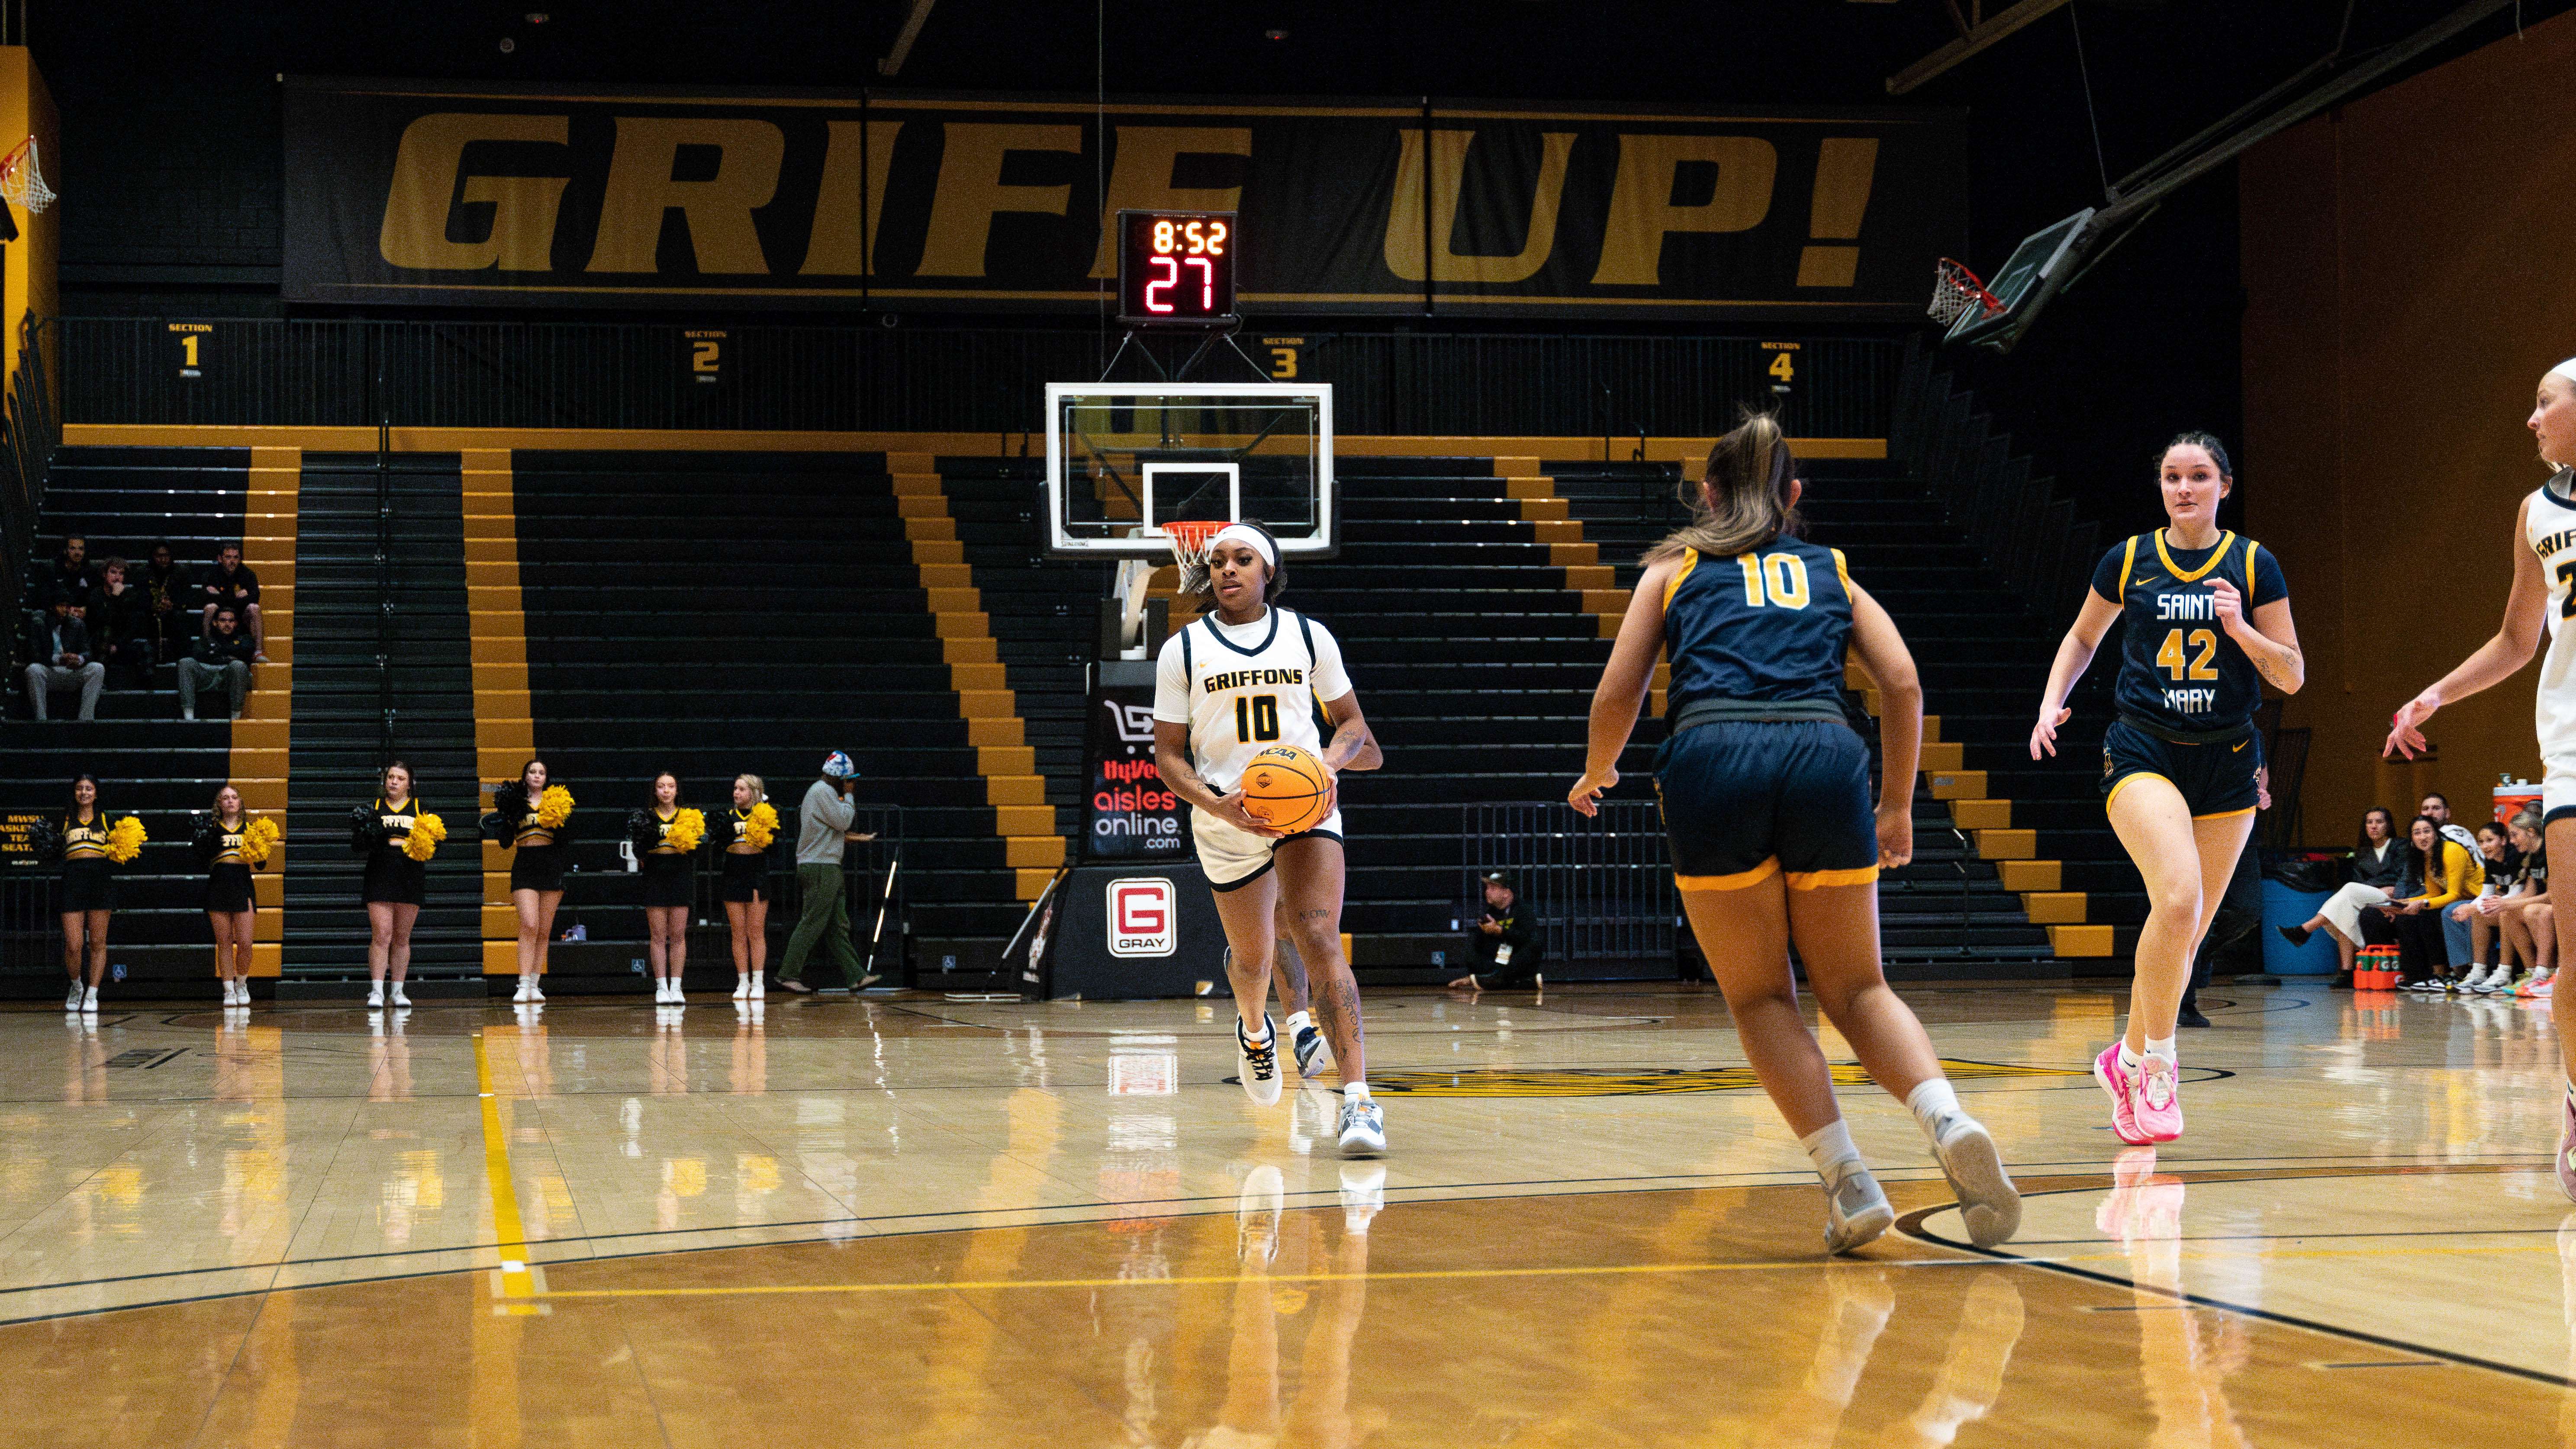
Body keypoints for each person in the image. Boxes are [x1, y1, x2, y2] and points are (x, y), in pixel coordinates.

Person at [1571, 413, 2020, 1252]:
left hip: (1713, 757)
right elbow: (1903, 683)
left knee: (1762, 996)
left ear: (1707, 495)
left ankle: (1850, 1181)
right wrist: (1894, 805)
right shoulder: (1833, 571)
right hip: (1823, 752)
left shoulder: (1671, 572)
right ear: (1794, 496)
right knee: (1858, 988)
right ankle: (1947, 1118)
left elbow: (1618, 694)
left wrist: (1597, 771)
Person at [2030, 431, 2301, 1146]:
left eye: (2198, 475)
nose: (2183, 488)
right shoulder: (2128, 558)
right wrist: (2051, 699)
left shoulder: (2252, 562)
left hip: (2228, 758)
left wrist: (2239, 628)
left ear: (2223, 484)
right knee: (2176, 897)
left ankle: (2121, 1057)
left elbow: (2291, 674)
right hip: (2143, 746)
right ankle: (2156, 1063)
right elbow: (2083, 637)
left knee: (2187, 930)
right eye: (2172, 477)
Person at [1152, 520, 1389, 1156]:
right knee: (1253, 958)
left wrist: (1327, 767)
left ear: (1269, 572)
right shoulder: (1183, 648)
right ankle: (1256, 1029)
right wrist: (1216, 804)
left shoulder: (1309, 636)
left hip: (1305, 813)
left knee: (1317, 938)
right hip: (1227, 815)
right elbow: (1168, 758)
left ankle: (1360, 1101)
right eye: (1220, 560)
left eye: (1243, 559)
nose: (1228, 569)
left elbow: (1354, 728)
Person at [777, 752, 877, 994]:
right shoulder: (823, 792)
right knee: (812, 921)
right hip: (820, 867)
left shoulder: (822, 792)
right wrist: (850, 797)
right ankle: (788, 974)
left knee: (836, 925)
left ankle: (856, 976)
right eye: (849, 779)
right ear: (840, 778)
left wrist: (852, 839)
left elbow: (826, 830)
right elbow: (843, 821)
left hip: (828, 864)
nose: (851, 783)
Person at [2278, 807, 2408, 987]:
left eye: (2379, 822)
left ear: (2389, 825)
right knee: (2345, 908)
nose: (2374, 827)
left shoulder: (2401, 846)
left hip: (2394, 897)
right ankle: (2347, 972)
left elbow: (2406, 877)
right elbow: (2358, 882)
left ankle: (2305, 929)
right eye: (2369, 823)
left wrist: (2394, 891)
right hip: (2366, 897)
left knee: (2348, 890)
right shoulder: (2361, 853)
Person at [484, 759, 567, 1004]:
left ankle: (534, 983)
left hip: (551, 864)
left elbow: (565, 840)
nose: (537, 775)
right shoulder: (516, 803)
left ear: (546, 778)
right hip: (525, 865)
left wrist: (561, 822)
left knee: (544, 930)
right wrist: (505, 820)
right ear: (525, 776)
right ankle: (522, 983)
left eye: (542, 772)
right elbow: (505, 843)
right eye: (532, 771)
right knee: (529, 924)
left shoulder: (557, 802)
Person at [353, 761, 427, 1009]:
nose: (394, 782)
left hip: (410, 876)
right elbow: (360, 844)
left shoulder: (419, 808)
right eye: (391, 777)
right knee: (382, 934)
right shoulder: (373, 808)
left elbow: (434, 844)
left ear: (410, 784)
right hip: (380, 874)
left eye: (400, 778)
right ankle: (376, 990)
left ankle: (398, 990)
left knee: (403, 937)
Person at [2381, 815, 2481, 991]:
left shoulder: (2451, 851)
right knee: (2409, 916)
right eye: (2417, 833)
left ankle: (2458, 972)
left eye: (2427, 831)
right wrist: (2399, 904)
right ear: (2412, 838)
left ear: (2436, 834)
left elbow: (2454, 894)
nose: (2422, 837)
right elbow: (2433, 893)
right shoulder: (2426, 858)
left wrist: (2423, 904)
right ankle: (2422, 975)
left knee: (2442, 912)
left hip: (2478, 897)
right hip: (2460, 899)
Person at [46, 774, 113, 1012]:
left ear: (96, 793)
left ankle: (93, 993)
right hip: (72, 882)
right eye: (80, 788)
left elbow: (121, 848)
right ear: (75, 793)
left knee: (97, 942)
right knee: (74, 945)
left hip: (100, 882)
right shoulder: (65, 819)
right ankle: (76, 985)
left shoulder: (106, 819)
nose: (84, 793)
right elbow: (51, 847)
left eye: (89, 788)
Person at [632, 771, 699, 1004]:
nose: (666, 791)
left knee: (678, 935)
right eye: (661, 787)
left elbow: (697, 849)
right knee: (658, 935)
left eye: (671, 786)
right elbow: (638, 852)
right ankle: (661, 986)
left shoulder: (688, 817)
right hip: (654, 877)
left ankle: (677, 987)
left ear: (677, 790)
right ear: (655, 791)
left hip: (680, 876)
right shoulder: (646, 818)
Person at [2467, 811, 2548, 994]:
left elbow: (2555, 895)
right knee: (2501, 913)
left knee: (2532, 911)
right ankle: (2530, 973)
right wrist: (2502, 905)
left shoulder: (2546, 852)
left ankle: (2544, 974)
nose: (2512, 841)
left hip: (2556, 906)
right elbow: (2529, 892)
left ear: (2531, 832)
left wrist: (2506, 904)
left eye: (2514, 835)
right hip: (2540, 903)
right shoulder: (2531, 857)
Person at [195, 785, 261, 1006]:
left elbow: (261, 864)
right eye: (225, 798)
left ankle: (242, 982)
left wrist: (260, 846)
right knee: (223, 943)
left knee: (245, 943)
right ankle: (228, 989)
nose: (231, 801)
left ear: (240, 803)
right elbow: (202, 857)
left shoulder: (250, 829)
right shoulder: (213, 829)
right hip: (218, 886)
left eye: (234, 797)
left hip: (243, 886)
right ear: (219, 804)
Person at [719, 773, 775, 1000]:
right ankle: (743, 982)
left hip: (756, 874)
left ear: (754, 792)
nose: (736, 793)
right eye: (735, 788)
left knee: (756, 931)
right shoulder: (728, 817)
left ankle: (759, 982)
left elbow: (772, 843)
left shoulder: (764, 815)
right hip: (733, 874)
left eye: (742, 789)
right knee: (738, 933)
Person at [1443, 870, 1544, 993]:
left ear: (1506, 893)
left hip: (1516, 960)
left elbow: (1525, 939)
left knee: (1535, 944)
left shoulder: (1524, 911)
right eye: (1487, 888)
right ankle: (1515, 981)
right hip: (1499, 961)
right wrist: (1485, 931)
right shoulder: (1491, 913)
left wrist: (1501, 931)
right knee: (1473, 940)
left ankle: (1494, 980)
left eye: (1493, 888)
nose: (1487, 892)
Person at [24, 596, 103, 721]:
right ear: (52, 607)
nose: (65, 610)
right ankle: (41, 720)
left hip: (72, 672)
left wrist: (79, 659)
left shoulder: (77, 624)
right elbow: (34, 655)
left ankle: (85, 720)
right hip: (50, 671)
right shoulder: (38, 623)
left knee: (98, 668)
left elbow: (88, 652)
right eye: (61, 606)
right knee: (33, 670)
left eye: (67, 606)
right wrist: (59, 659)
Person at [179, 605, 256, 721]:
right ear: (215, 623)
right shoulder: (206, 639)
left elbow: (247, 653)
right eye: (223, 620)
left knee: (239, 665)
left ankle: (235, 718)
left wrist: (215, 653)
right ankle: (189, 717)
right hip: (207, 676)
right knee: (186, 662)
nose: (227, 624)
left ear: (236, 624)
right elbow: (197, 654)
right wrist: (229, 656)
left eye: (231, 621)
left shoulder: (244, 639)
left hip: (230, 678)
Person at [87, 559, 152, 686]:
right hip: (98, 643)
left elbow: (131, 628)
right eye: (113, 572)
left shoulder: (129, 596)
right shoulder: (96, 595)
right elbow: (102, 621)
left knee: (145, 646)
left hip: (120, 644)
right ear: (104, 574)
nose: (117, 577)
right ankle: (99, 681)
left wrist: (118, 645)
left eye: (121, 574)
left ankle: (146, 686)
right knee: (106, 632)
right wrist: (115, 598)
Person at [197, 543, 267, 662]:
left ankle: (258, 652)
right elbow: (203, 599)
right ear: (220, 559)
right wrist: (237, 598)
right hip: (220, 617)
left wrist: (219, 596)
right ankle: (208, 647)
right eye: (228, 557)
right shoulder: (211, 575)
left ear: (240, 559)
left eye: (236, 557)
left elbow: (255, 598)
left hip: (241, 617)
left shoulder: (249, 575)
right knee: (210, 608)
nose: (232, 561)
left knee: (254, 608)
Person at [140, 541, 193, 663]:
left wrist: (172, 605)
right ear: (153, 557)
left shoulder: (181, 573)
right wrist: (153, 606)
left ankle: (185, 660)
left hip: (173, 614)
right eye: (160, 556)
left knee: (181, 617)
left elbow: (187, 598)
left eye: (167, 556)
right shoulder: (143, 573)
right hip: (150, 614)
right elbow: (139, 597)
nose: (164, 560)